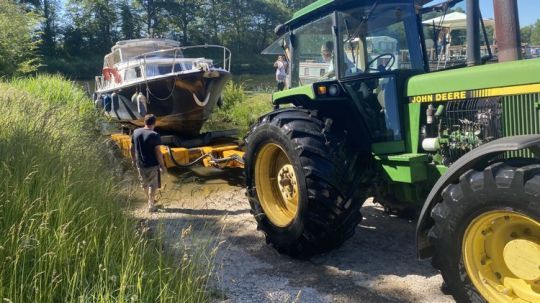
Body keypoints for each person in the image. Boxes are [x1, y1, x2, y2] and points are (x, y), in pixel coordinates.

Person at [130, 114, 167, 213]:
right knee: (152, 185)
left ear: (144, 122)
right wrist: (163, 166)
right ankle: (151, 206)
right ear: (154, 123)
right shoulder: (154, 135)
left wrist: (133, 160)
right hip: (152, 164)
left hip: (140, 164)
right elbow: (158, 152)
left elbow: (131, 148)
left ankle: (150, 200)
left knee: (144, 184)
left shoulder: (136, 132)